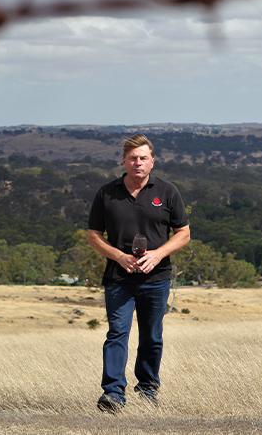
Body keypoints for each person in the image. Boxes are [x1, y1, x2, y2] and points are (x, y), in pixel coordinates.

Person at [87, 133, 191, 412]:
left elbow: (184, 233)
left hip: (157, 280)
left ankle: (148, 390)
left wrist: (158, 255)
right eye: (132, 158)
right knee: (117, 333)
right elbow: (93, 236)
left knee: (151, 337)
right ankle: (113, 394)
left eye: (143, 158)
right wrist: (119, 256)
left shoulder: (168, 191)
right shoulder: (107, 193)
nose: (138, 163)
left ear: (152, 161)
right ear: (124, 161)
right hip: (119, 279)